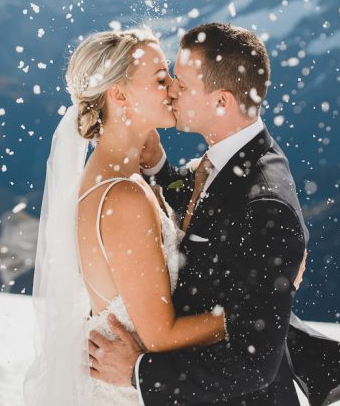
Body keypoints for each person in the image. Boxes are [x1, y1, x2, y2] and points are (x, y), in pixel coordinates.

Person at [89, 22, 311, 405]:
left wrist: (136, 372)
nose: (172, 90)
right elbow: (207, 215)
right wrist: (161, 169)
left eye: (183, 84)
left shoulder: (266, 205)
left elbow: (254, 363)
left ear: (221, 102)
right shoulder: (233, 160)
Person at [23, 27, 230, 406]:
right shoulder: (123, 197)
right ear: (118, 95)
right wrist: (256, 311)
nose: (173, 87)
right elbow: (160, 335)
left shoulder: (113, 180)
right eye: (159, 79)